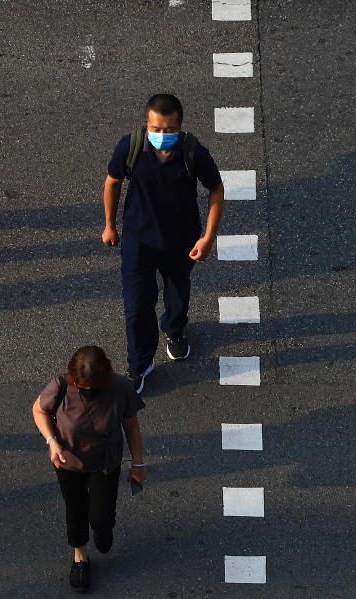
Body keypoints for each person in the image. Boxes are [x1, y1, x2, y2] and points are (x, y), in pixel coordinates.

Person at [102, 93, 225, 393]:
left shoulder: (193, 152)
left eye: (169, 129)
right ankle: (139, 363)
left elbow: (216, 188)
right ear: (147, 125)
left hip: (181, 240)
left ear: (180, 127)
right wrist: (109, 225)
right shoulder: (129, 147)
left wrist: (208, 237)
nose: (162, 135)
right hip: (138, 240)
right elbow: (112, 182)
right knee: (136, 305)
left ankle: (175, 329)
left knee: (177, 291)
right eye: (156, 129)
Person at [32, 347, 146, 592]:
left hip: (105, 464)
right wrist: (52, 442)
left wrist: (138, 464)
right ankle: (80, 556)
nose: (87, 392)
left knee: (102, 518)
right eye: (82, 387)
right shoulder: (61, 387)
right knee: (75, 508)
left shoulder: (120, 388)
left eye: (93, 387)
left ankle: (102, 530)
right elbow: (39, 410)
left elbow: (132, 427)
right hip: (67, 462)